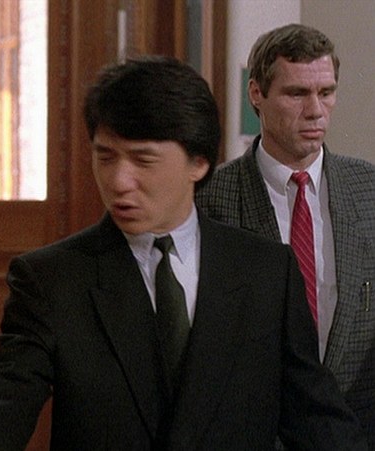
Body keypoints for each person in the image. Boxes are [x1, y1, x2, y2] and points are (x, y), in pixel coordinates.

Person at [0, 57, 366, 450]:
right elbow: (6, 392)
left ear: (198, 163)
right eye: (106, 156)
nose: (118, 181)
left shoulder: (265, 271)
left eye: (143, 160)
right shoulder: (53, 278)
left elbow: (315, 416)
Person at [195, 24, 375, 446]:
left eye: (326, 93)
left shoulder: (368, 190)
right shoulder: (210, 198)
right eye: (297, 94)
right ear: (256, 93)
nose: (316, 110)